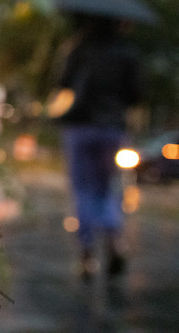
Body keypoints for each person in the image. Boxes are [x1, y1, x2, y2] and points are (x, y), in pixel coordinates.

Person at [54, 15, 144, 279]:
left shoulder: (77, 48)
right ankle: (115, 241)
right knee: (109, 187)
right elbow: (136, 94)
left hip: (80, 126)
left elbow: (63, 83)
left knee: (83, 189)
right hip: (112, 128)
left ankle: (87, 255)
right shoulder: (128, 52)